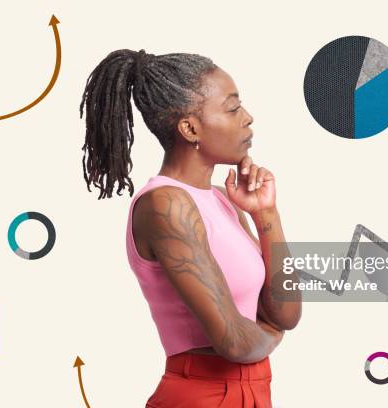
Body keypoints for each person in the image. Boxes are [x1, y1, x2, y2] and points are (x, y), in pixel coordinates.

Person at [80, 49, 302, 407]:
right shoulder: (165, 204)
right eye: (232, 108)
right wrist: (272, 337)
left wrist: (267, 215)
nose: (248, 118)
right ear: (189, 127)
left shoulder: (223, 200)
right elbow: (235, 342)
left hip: (255, 392)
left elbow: (287, 313)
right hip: (201, 395)